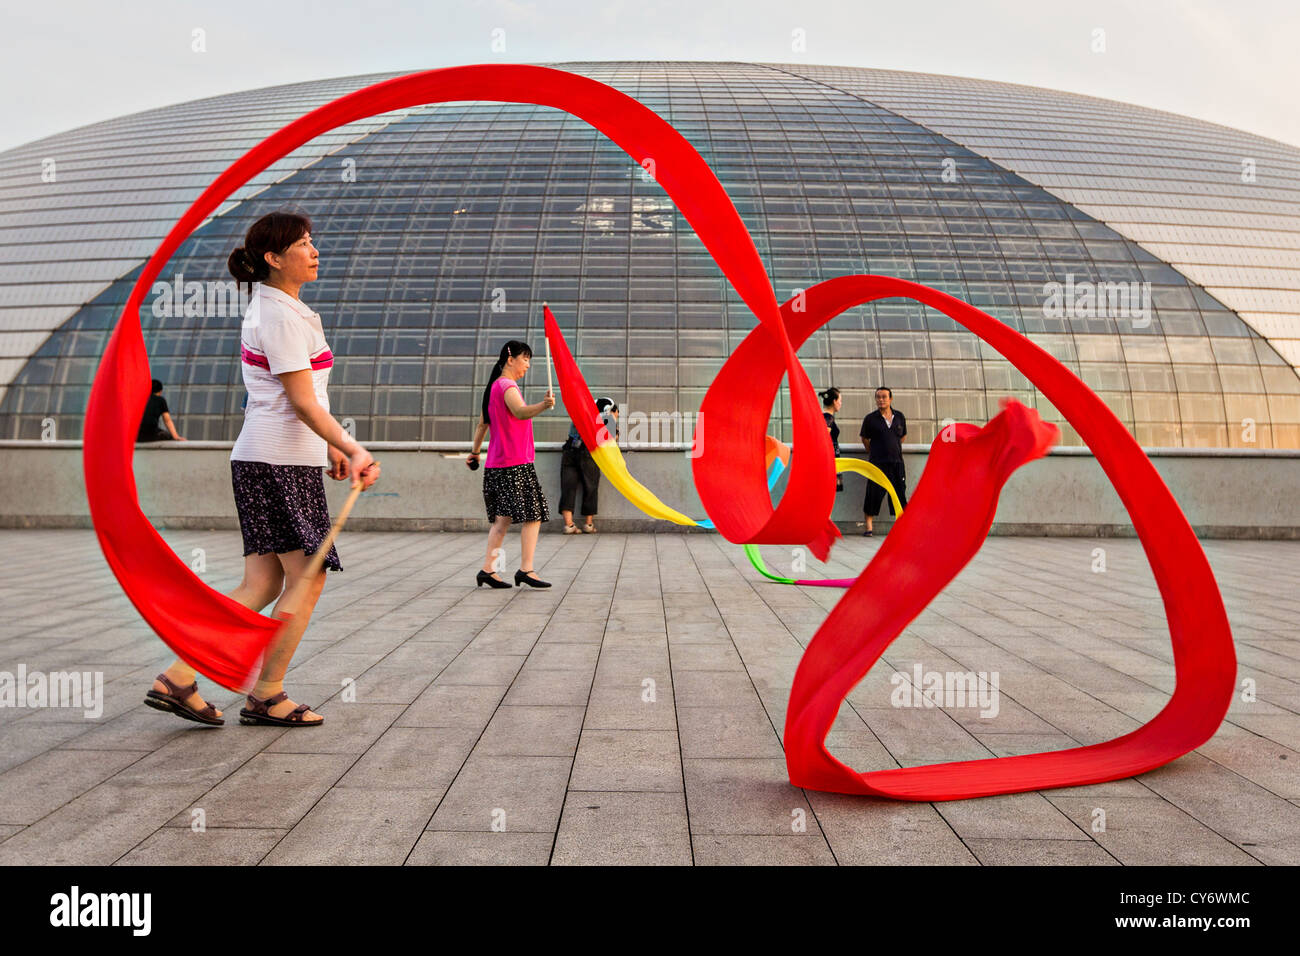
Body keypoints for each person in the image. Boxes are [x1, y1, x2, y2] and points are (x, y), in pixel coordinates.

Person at [143, 210, 379, 728]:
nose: (315, 251)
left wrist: (331, 449)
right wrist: (354, 447)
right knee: (309, 577)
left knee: (264, 583)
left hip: (275, 458)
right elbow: (298, 400)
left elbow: (302, 396)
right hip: (276, 462)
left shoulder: (285, 309)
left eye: (314, 241)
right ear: (274, 259)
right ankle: (266, 694)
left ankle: (179, 678)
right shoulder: (276, 314)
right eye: (303, 244)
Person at [467, 340, 555, 588]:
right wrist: (544, 405)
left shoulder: (493, 387)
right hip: (515, 463)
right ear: (510, 359)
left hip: (496, 464)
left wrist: (474, 453)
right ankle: (526, 569)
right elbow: (520, 412)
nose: (527, 364)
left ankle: (488, 570)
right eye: (525, 358)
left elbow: (482, 424)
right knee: (534, 514)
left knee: (501, 521)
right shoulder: (508, 386)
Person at [559, 396, 618, 533]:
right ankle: (588, 524)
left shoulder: (581, 414)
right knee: (590, 487)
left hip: (569, 450)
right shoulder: (605, 419)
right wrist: (613, 420)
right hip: (589, 453)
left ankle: (569, 525)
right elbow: (611, 440)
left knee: (568, 487)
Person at [859, 386, 908, 536]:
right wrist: (874, 452)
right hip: (877, 463)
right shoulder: (870, 419)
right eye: (878, 397)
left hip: (897, 463)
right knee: (873, 493)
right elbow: (865, 439)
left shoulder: (899, 416)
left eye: (884, 397)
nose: (881, 400)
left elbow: (902, 437)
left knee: (899, 493)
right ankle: (869, 527)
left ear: (890, 399)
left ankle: (902, 527)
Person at [819, 386, 842, 492]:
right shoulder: (828, 418)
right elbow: (823, 440)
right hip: (828, 461)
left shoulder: (825, 417)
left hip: (829, 460)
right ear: (834, 401)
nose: (841, 404)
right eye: (840, 400)